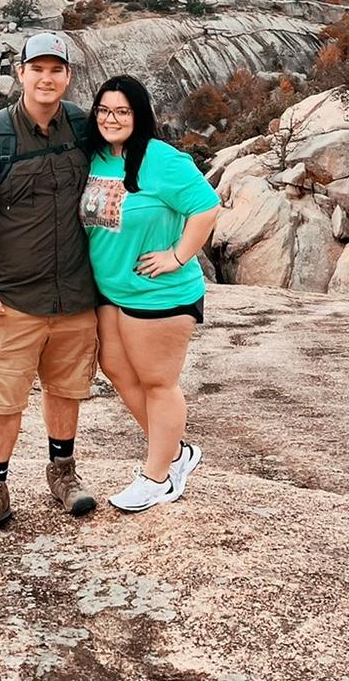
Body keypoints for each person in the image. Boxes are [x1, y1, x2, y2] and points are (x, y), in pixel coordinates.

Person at [0, 31, 100, 543]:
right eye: (38, 68)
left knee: (66, 388)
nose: (47, 78)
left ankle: (63, 473)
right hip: (14, 297)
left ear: (68, 77)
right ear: (20, 74)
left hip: (76, 294)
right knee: (5, 398)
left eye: (56, 69)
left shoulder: (83, 127)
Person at [80, 74, 221, 513]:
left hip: (158, 295)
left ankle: (157, 476)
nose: (112, 118)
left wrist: (178, 256)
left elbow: (206, 206)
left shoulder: (163, 160)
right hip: (109, 291)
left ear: (139, 115)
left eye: (123, 111)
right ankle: (177, 453)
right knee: (118, 371)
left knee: (158, 382)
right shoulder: (96, 157)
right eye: (104, 110)